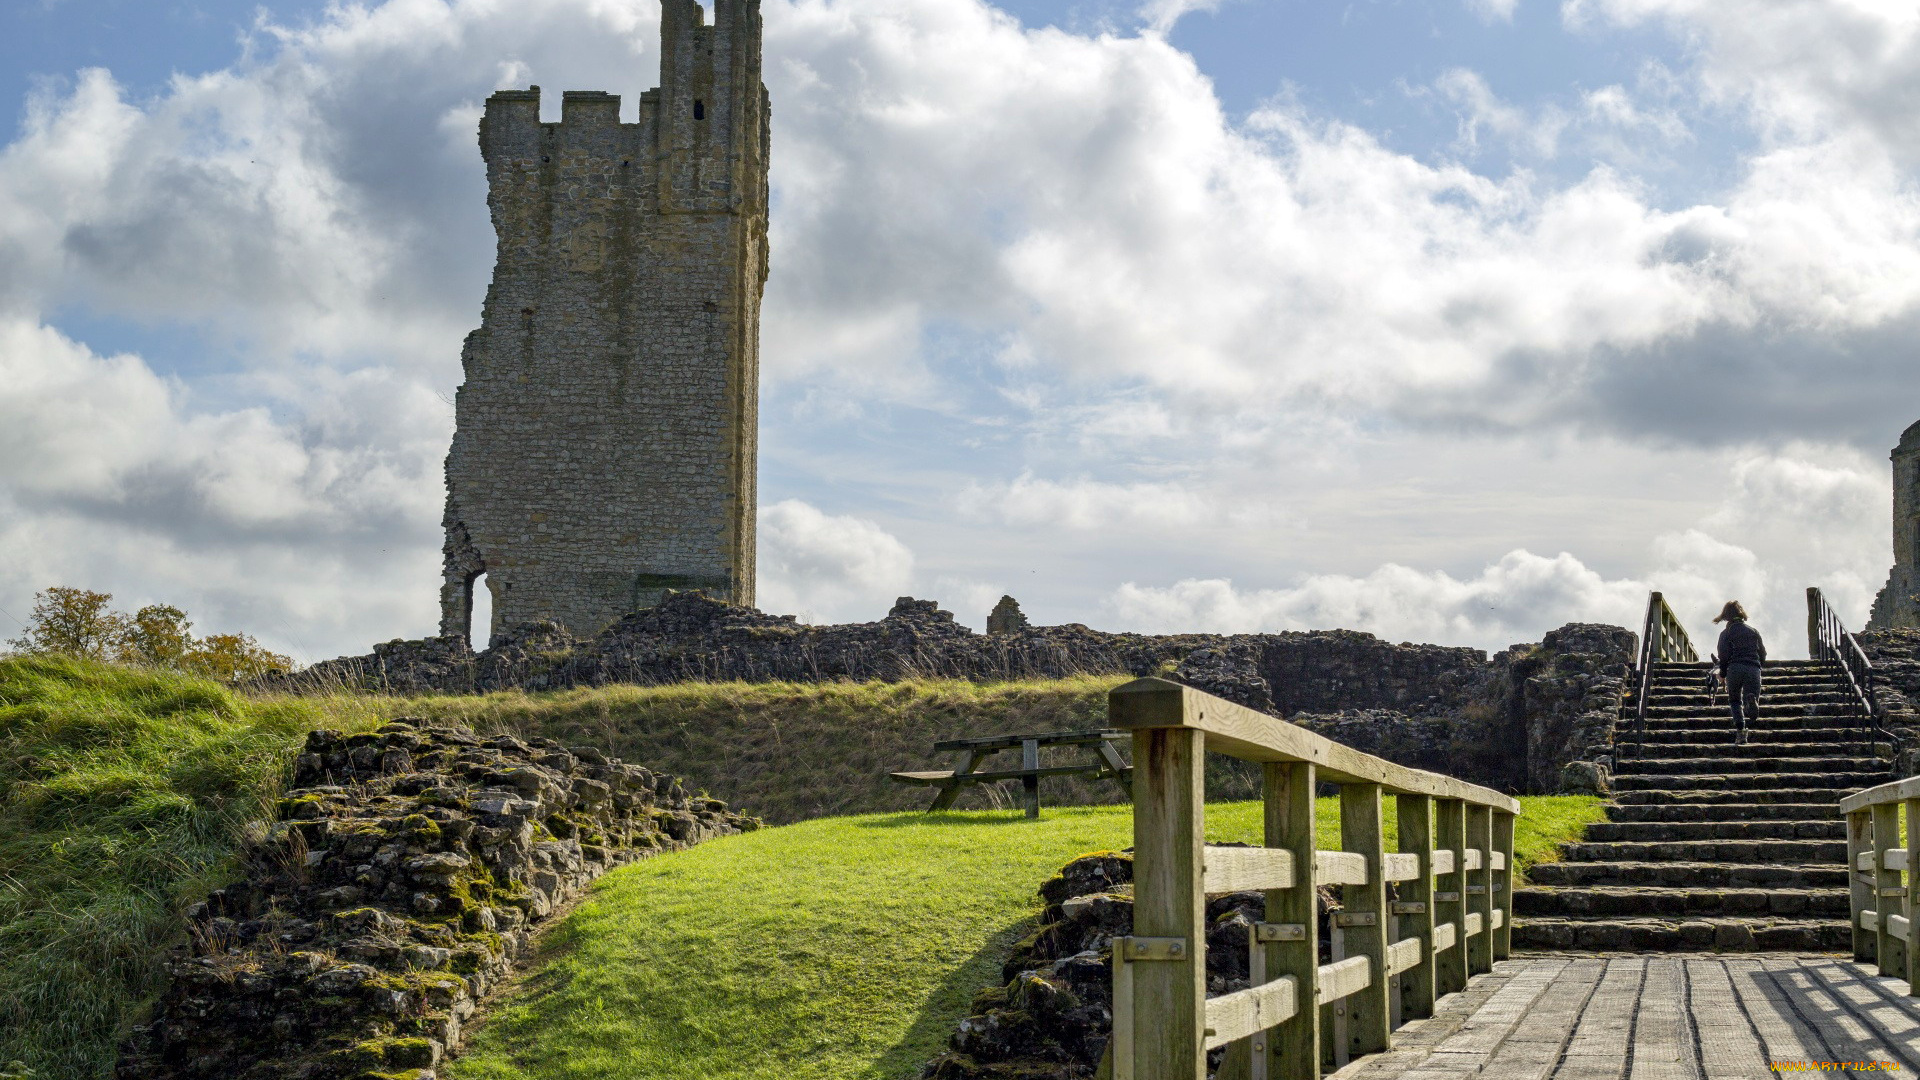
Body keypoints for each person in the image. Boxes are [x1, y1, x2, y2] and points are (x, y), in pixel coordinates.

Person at [1714, 601, 1766, 745]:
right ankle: (1751, 702)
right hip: (1753, 668)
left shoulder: (1726, 633)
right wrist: (1758, 666)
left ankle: (1741, 732)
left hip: (1734, 668)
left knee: (1735, 700)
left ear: (1726, 616)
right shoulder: (1753, 631)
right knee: (1751, 695)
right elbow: (1763, 653)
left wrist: (1723, 673)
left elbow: (1723, 656)